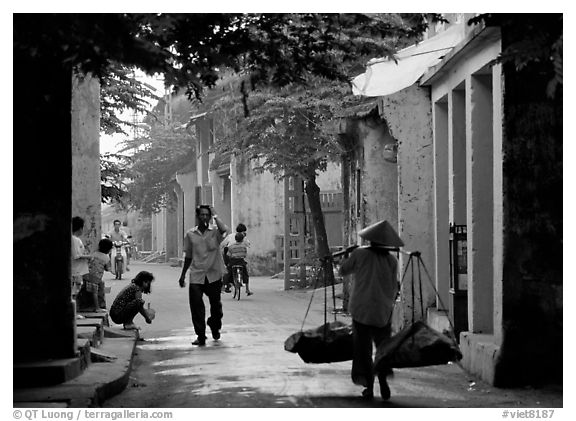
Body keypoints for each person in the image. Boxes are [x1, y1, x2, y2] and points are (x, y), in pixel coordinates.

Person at [339, 220, 403, 401]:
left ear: (371, 240)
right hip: (383, 311)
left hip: (361, 310)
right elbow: (393, 287)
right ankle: (382, 378)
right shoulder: (392, 260)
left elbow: (343, 271)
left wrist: (347, 254)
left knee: (363, 349)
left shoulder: (359, 254)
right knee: (383, 347)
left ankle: (368, 386)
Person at [178, 205, 229, 346]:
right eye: (202, 215)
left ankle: (214, 324)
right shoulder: (190, 234)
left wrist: (215, 215)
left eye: (207, 215)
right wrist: (182, 275)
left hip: (213, 274)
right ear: (198, 216)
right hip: (197, 274)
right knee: (196, 307)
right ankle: (200, 335)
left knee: (216, 306)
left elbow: (224, 229)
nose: (204, 217)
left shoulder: (215, 233)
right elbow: (188, 256)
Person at [84, 238, 113, 312]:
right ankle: (97, 307)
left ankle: (97, 306)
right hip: (96, 278)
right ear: (108, 249)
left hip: (86, 275)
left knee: (98, 286)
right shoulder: (106, 258)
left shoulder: (94, 254)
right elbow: (107, 269)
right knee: (95, 292)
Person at [220, 223, 250, 292]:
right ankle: (247, 289)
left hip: (231, 258)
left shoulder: (230, 237)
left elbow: (223, 246)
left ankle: (224, 286)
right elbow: (246, 249)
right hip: (241, 260)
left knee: (228, 270)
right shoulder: (244, 238)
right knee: (245, 273)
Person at [71, 216, 91, 302]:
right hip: (76, 270)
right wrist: (90, 257)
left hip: (77, 270)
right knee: (74, 292)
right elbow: (76, 255)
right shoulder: (74, 240)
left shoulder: (75, 239)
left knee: (75, 291)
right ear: (80, 228)